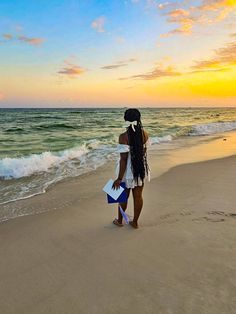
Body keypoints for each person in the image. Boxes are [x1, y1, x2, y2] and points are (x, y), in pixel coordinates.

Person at [112, 108, 150, 229]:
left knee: (123, 196)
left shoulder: (123, 137)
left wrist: (118, 179)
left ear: (125, 119)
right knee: (138, 196)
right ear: (139, 119)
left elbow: (123, 160)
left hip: (127, 171)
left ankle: (119, 221)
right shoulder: (144, 134)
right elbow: (143, 152)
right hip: (140, 168)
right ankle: (135, 222)